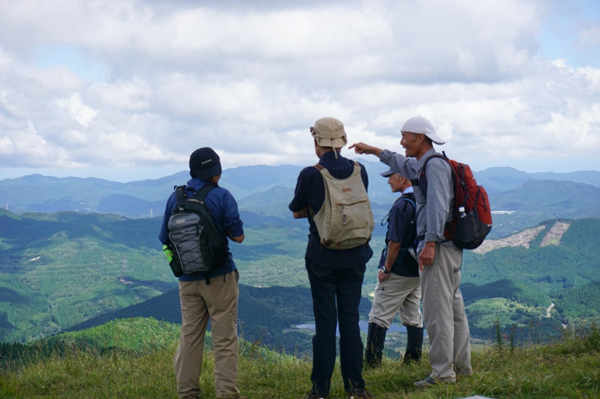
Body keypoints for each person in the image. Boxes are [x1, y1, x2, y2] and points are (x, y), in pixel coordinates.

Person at [349, 116, 472, 387]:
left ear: (420, 138)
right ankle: (462, 367)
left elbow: (438, 206)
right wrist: (372, 150)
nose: (402, 141)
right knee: (453, 307)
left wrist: (430, 243)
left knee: (437, 312)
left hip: (437, 248)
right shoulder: (424, 164)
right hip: (448, 247)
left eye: (405, 136)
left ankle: (442, 374)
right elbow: (398, 162)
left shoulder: (434, 167)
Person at [289, 117, 375, 399]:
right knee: (350, 321)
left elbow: (297, 210)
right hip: (355, 256)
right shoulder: (359, 170)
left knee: (325, 324)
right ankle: (356, 388)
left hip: (322, 257)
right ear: (341, 140)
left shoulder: (311, 174)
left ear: (317, 142)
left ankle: (320, 391)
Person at [159, 147, 246, 399]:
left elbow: (165, 239)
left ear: (192, 171)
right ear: (216, 173)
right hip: (220, 277)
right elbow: (238, 237)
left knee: (190, 336)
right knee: (224, 339)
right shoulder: (222, 196)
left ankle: (187, 393)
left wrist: (179, 266)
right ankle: (227, 394)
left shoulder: (174, 198)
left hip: (187, 280)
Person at [365, 167, 423, 368]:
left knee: (378, 316)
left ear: (403, 177)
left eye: (390, 177)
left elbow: (395, 243)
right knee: (413, 314)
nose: (388, 181)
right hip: (418, 269)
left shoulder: (402, 206)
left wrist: (386, 270)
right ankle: (413, 360)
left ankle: (373, 365)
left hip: (398, 269)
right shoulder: (423, 200)